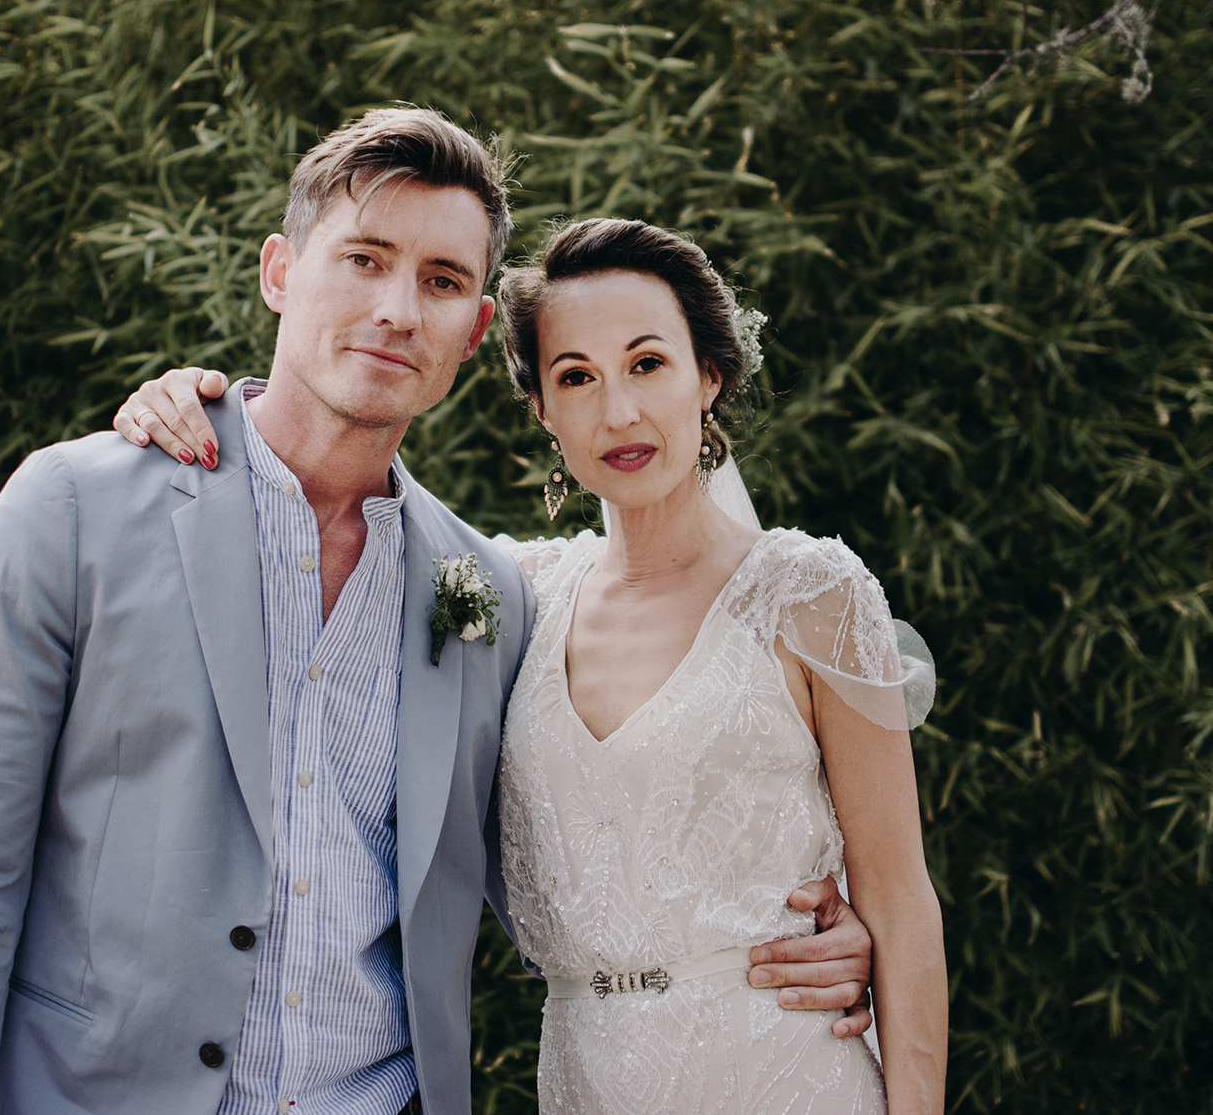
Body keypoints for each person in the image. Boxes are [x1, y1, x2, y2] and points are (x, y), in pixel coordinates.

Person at [0, 108, 878, 1115]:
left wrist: (783, 940)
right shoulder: (76, 508)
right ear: (279, 271)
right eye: (364, 259)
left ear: (476, 330)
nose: (398, 308)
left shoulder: (490, 596)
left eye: (440, 282)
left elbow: (579, 845)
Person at [117, 219, 947, 1112]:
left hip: (784, 1070)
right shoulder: (509, 595)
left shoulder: (807, 592)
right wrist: (185, 402)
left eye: (647, 364)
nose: (617, 411)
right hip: (585, 1078)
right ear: (543, 409)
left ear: (708, 375)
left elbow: (898, 897)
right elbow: (318, 524)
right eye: (576, 377)